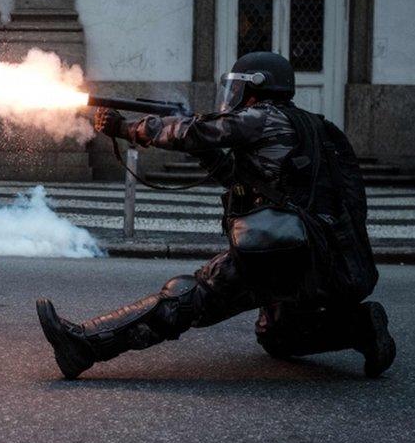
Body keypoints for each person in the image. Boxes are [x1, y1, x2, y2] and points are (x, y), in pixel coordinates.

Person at [36, 52, 396, 379]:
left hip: (287, 254)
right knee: (276, 334)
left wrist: (126, 128)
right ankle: (361, 327)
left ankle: (82, 345)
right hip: (328, 259)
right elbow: (244, 180)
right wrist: (207, 153)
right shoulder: (311, 126)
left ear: (255, 88)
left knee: (187, 297)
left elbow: (192, 132)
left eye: (238, 87)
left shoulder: (262, 117)